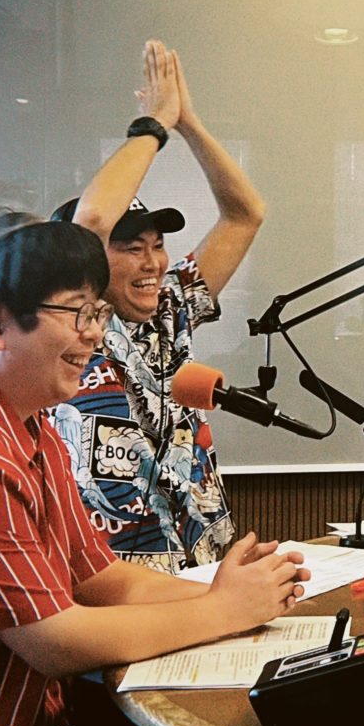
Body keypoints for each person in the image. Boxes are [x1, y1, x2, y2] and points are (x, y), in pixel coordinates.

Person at [0, 212, 308, 726]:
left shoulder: (25, 421)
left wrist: (243, 596)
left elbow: (101, 578)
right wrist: (223, 611)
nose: (95, 334)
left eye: (97, 313)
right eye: (77, 313)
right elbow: (53, 640)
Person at [51, 38, 265, 573]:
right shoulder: (68, 321)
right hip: (114, 579)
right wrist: (154, 127)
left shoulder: (171, 306)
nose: (153, 263)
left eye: (157, 245)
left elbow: (245, 215)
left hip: (199, 561)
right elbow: (92, 222)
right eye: (131, 248)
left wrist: (189, 123)